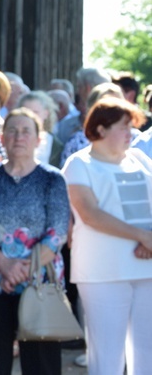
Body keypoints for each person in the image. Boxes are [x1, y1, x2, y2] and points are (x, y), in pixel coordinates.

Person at [0, 108, 70, 375]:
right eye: (12, 130)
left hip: (39, 284)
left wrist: (22, 269)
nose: (18, 136)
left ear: (38, 139)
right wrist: (4, 264)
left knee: (42, 367)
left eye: (26, 131)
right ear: (2, 137)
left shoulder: (52, 179)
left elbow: (58, 232)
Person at [62, 97, 152, 375]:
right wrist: (143, 236)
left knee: (147, 354)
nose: (130, 134)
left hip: (147, 268)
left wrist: (149, 240)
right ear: (100, 129)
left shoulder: (139, 158)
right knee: (107, 357)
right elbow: (90, 213)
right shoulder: (79, 163)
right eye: (124, 127)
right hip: (102, 272)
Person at [56, 68, 110, 144]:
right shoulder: (119, 123)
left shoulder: (66, 126)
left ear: (88, 88)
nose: (77, 92)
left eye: (79, 87)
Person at [18, 90, 63, 167]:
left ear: (46, 114)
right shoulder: (12, 138)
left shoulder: (55, 145)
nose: (30, 117)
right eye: (26, 113)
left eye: (35, 112)